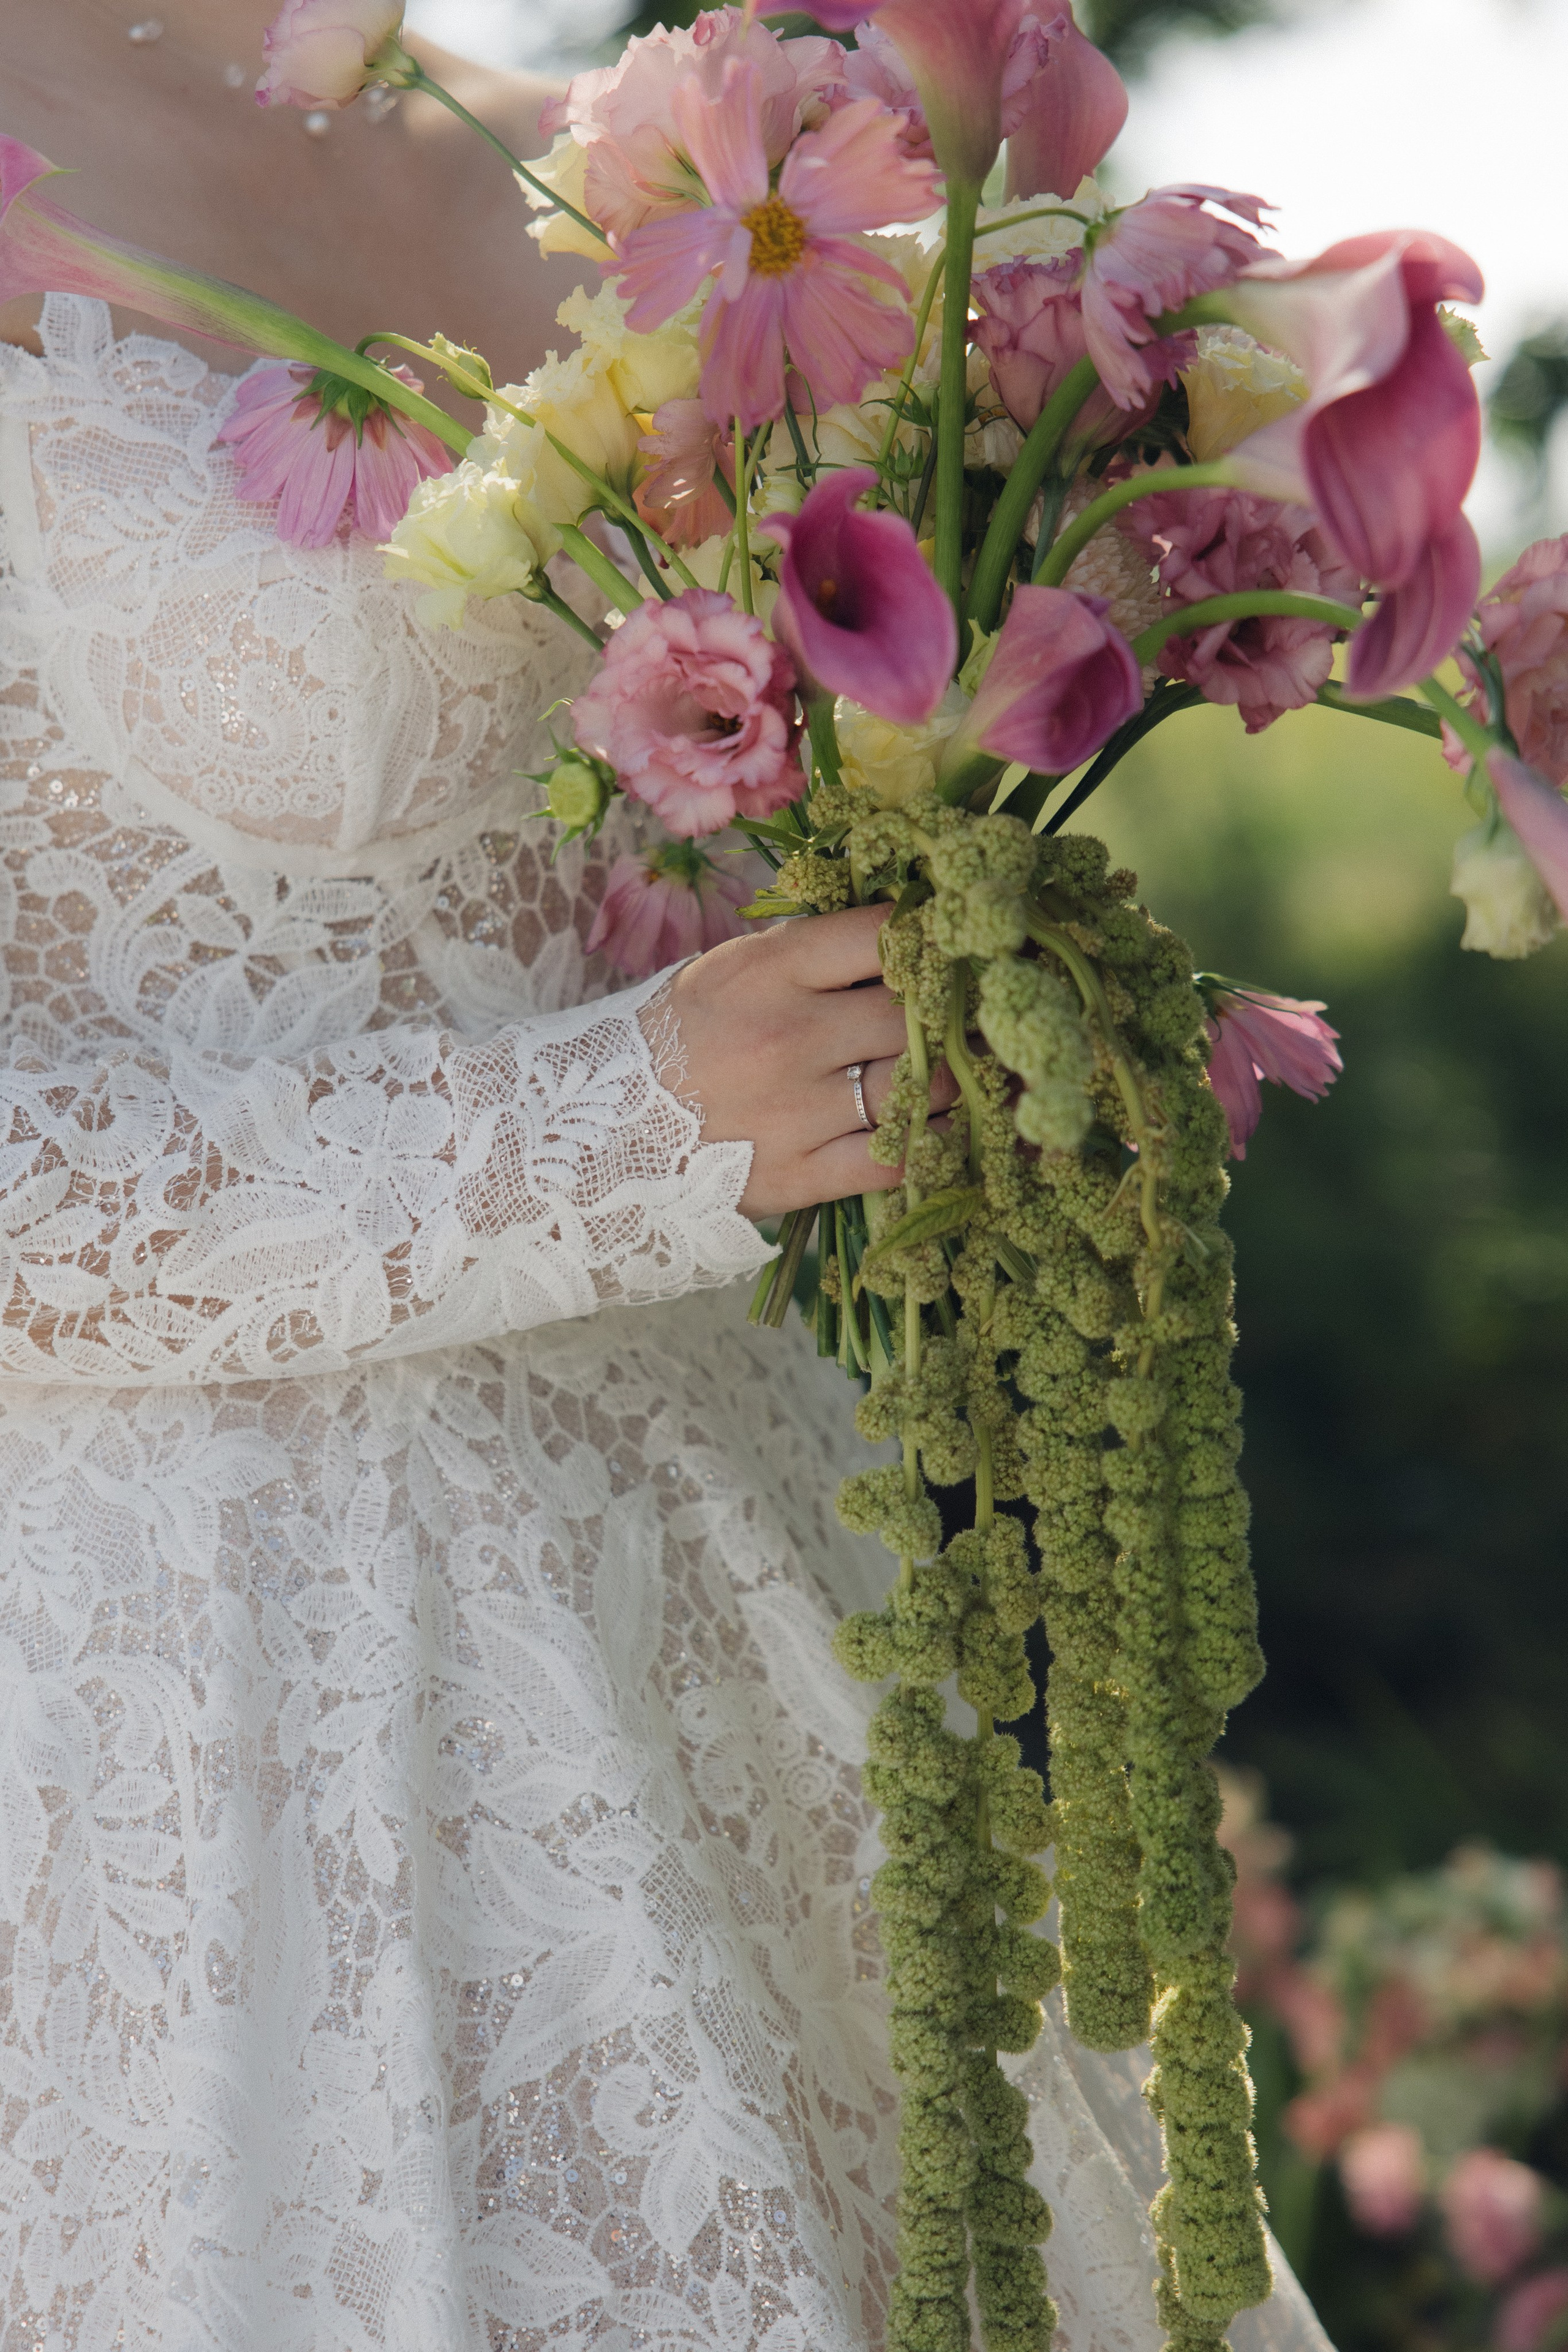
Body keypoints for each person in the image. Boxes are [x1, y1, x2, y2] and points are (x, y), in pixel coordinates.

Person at [0, 7, 1332, 2346]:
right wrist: (614, 1132)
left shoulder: (653, 172)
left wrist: (930, 978)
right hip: (164, 1715)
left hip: (707, 1624)